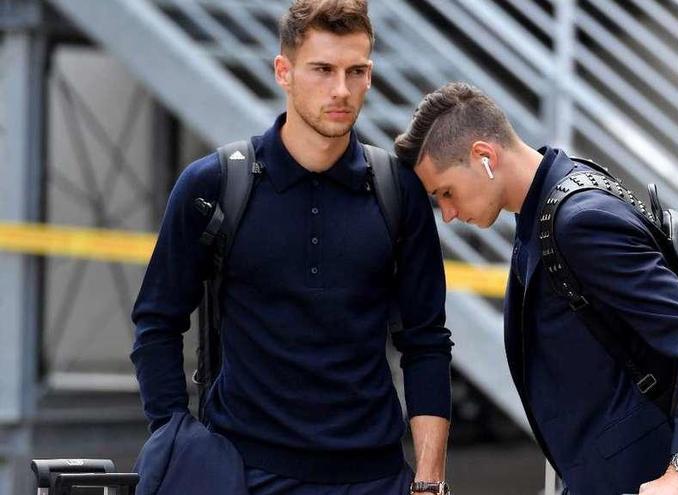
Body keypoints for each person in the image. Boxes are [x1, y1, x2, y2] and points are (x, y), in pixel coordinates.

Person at [131, 2, 453, 494]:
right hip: (245, 473)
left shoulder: (397, 190)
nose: (341, 90)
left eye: (356, 71)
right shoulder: (214, 184)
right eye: (322, 69)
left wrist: (429, 482)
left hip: (375, 477)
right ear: (284, 71)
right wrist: (175, 440)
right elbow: (157, 321)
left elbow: (426, 341)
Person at [394, 82, 678, 495]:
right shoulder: (545, 207)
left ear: (484, 156)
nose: (448, 214)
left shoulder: (579, 220)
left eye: (446, 193)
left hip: (636, 479)